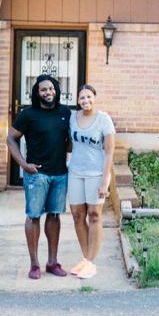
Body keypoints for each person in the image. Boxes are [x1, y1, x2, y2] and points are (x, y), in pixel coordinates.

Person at [7, 74, 72, 280]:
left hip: (60, 174)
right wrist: (24, 165)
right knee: (34, 216)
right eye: (43, 89)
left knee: (54, 216)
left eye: (51, 89)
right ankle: (34, 264)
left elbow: (69, 141)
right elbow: (10, 139)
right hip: (37, 175)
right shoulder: (28, 114)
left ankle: (52, 263)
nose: (48, 92)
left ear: (56, 91)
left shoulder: (65, 113)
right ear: (37, 93)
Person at [67, 84, 116, 280]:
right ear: (77, 100)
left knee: (94, 215)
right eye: (82, 98)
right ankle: (86, 259)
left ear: (94, 98)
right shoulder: (73, 117)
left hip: (96, 174)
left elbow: (110, 152)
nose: (85, 101)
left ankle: (91, 263)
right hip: (76, 173)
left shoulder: (104, 120)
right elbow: (69, 143)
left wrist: (105, 180)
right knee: (78, 216)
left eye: (88, 97)